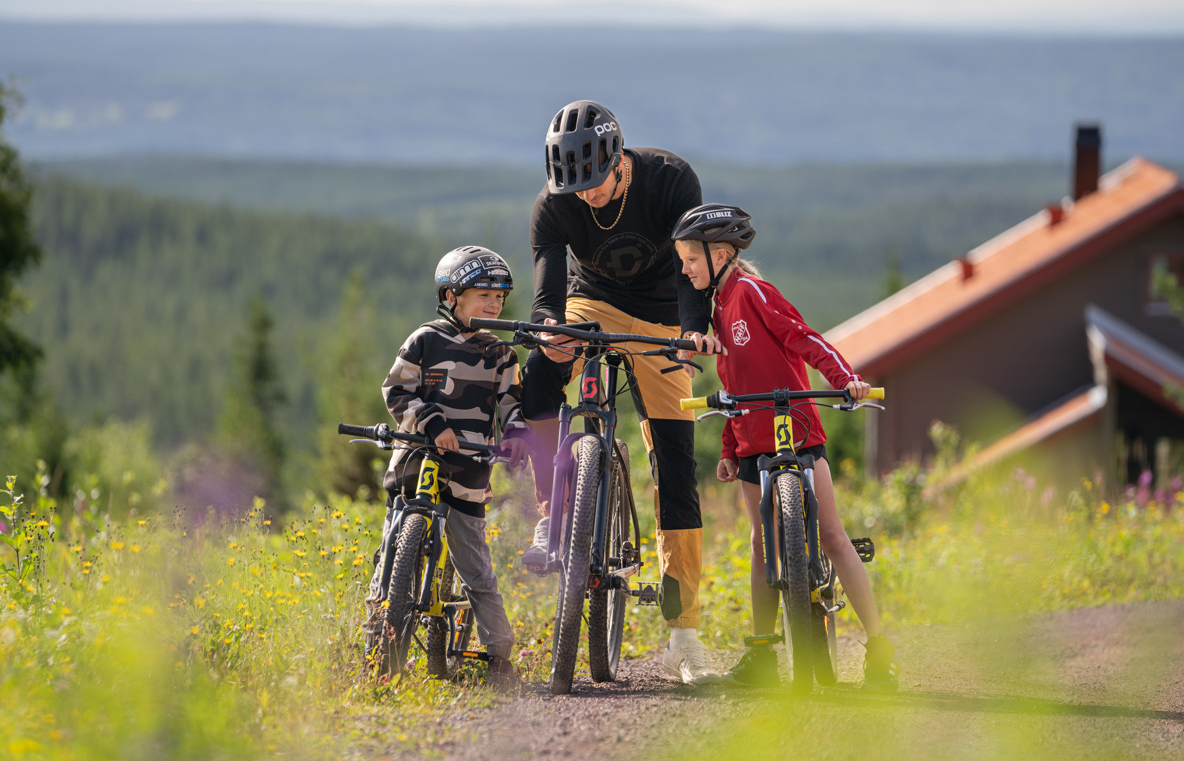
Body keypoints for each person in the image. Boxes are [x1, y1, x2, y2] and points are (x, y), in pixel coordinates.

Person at [521, 100, 720, 685]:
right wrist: (550, 333)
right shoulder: (553, 204)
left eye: (595, 182)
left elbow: (692, 270)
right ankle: (550, 508)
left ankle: (685, 638)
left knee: (676, 463)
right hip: (591, 306)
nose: (586, 196)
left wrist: (690, 331)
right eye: (573, 186)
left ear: (619, 160)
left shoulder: (670, 179)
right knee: (536, 374)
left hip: (663, 319)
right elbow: (546, 292)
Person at [671, 203, 899, 690]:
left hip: (797, 431)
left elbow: (804, 339)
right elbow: (734, 382)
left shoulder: (752, 292)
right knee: (759, 543)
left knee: (834, 537)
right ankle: (761, 656)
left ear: (723, 254)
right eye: (683, 259)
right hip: (752, 443)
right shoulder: (717, 307)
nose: (685, 268)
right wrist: (730, 447)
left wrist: (846, 380)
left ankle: (880, 647)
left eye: (691, 258)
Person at [365, 246, 530, 691]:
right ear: (450, 295)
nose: (494, 304)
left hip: (470, 469)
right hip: (417, 461)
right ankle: (377, 649)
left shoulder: (502, 355)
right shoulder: (425, 340)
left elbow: (515, 406)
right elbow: (396, 390)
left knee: (475, 568)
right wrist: (433, 422)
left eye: (500, 296)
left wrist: (515, 437)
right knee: (391, 557)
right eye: (482, 295)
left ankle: (499, 656)